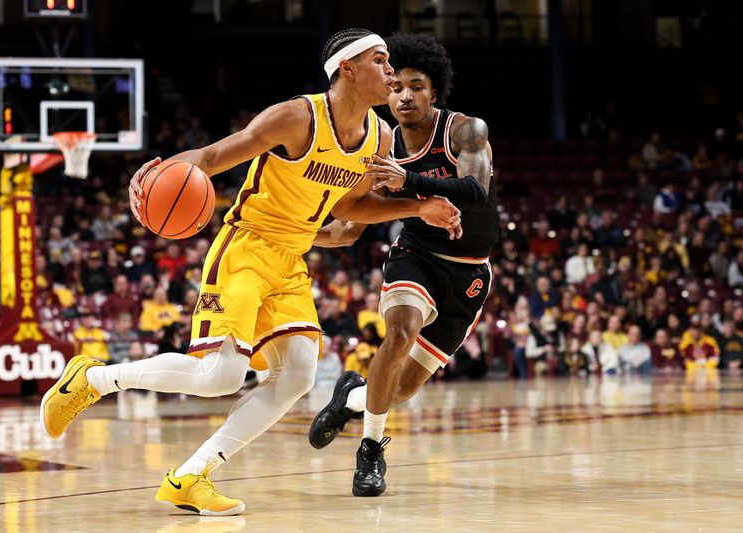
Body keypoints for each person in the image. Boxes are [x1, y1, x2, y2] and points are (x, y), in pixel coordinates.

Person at [40, 28, 460, 516]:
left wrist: (418, 207)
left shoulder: (380, 136)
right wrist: (157, 173)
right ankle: (93, 379)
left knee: (298, 375)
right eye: (380, 60)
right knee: (221, 375)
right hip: (246, 249)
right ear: (347, 68)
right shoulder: (297, 118)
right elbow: (211, 158)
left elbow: (350, 206)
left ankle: (190, 476)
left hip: (292, 261)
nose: (391, 71)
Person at [308, 33, 494, 497]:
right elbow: (349, 228)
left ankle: (351, 396)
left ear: (435, 92)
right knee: (399, 332)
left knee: (401, 388)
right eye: (396, 87)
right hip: (417, 255)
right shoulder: (379, 149)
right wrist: (295, 235)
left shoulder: (464, 130)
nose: (404, 96)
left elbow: (476, 191)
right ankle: (371, 451)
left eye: (417, 86)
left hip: (470, 270)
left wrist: (407, 179)